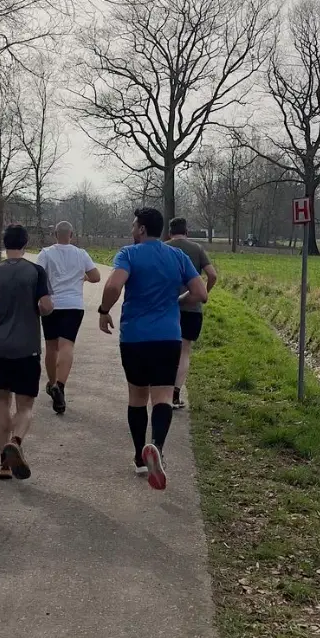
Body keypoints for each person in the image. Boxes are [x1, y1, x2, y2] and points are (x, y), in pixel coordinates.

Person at [98, 207, 207, 490]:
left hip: (134, 337)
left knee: (137, 397)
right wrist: (177, 301)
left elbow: (113, 286)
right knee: (162, 397)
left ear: (142, 229)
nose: (132, 230)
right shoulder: (178, 256)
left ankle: (139, 457)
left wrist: (104, 310)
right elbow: (201, 293)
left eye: (134, 225)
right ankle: (156, 446)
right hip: (168, 337)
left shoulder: (128, 254)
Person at [0, 224, 53, 480]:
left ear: (4, 242)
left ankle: (3, 464)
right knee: (25, 405)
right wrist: (37, 309)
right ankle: (16, 441)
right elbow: (46, 306)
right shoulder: (36, 272)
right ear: (25, 243)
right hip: (26, 347)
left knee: (2, 402)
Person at [36, 222, 101, 414]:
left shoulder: (45, 253)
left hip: (52, 304)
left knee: (51, 346)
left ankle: (52, 383)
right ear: (71, 234)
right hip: (73, 305)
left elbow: (36, 276)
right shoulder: (81, 254)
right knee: (67, 346)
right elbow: (96, 276)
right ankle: (61, 385)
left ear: (55, 234)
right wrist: (83, 277)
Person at [164, 217, 217, 409]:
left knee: (166, 349)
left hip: (167, 307)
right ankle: (175, 395)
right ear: (187, 231)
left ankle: (162, 392)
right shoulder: (197, 249)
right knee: (184, 351)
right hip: (192, 308)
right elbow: (212, 275)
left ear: (169, 232)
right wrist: (203, 293)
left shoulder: (163, 248)